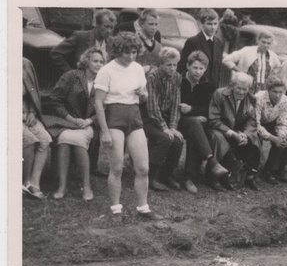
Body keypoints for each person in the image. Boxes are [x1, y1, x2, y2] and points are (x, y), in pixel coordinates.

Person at [94, 32, 160, 222]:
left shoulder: (138, 68)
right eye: (126, 52)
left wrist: (143, 94)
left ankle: (143, 207)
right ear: (117, 51)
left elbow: (144, 95)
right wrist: (105, 131)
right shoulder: (106, 71)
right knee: (117, 168)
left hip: (134, 116)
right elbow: (98, 103)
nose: (130, 56)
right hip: (114, 117)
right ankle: (116, 209)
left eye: (134, 52)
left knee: (143, 168)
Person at [43, 47, 105, 201]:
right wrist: (71, 119)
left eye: (102, 62)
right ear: (86, 61)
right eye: (95, 61)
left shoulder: (104, 80)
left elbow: (106, 107)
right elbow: (55, 100)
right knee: (64, 139)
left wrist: (88, 121)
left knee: (76, 140)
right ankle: (62, 186)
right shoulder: (71, 76)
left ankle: (87, 185)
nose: (99, 64)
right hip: (66, 121)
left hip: (89, 124)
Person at [178, 50, 233, 194]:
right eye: (195, 68)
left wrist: (192, 109)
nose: (198, 72)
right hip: (177, 121)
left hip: (199, 122)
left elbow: (208, 108)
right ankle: (211, 163)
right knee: (195, 126)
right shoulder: (179, 80)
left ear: (206, 68)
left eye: (201, 68)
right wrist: (189, 112)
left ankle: (190, 176)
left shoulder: (208, 84)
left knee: (197, 128)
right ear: (188, 66)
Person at [141, 47, 185, 191]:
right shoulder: (153, 77)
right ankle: (150, 177)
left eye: (175, 65)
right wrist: (165, 129)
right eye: (168, 65)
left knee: (178, 140)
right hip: (148, 118)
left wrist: (172, 127)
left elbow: (175, 105)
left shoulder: (177, 77)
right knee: (165, 138)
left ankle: (166, 174)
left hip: (164, 118)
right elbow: (152, 107)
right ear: (161, 64)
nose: (172, 68)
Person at [209, 72, 261, 190]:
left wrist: (245, 135)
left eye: (245, 89)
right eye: (239, 88)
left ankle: (248, 175)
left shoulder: (251, 99)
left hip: (238, 131)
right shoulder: (219, 94)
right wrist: (232, 133)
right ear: (232, 86)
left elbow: (252, 121)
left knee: (254, 138)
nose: (242, 92)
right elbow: (214, 120)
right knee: (218, 138)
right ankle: (213, 177)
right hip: (219, 129)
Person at [50, 9, 116, 75]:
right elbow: (56, 53)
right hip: (81, 80)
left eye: (111, 28)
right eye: (106, 26)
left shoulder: (111, 41)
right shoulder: (80, 37)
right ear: (97, 24)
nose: (109, 31)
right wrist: (70, 73)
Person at [22, 58, 52, 200]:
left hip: (26, 111)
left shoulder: (25, 63)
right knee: (28, 139)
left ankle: (34, 182)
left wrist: (32, 112)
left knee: (44, 138)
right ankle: (25, 181)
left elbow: (32, 93)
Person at [255, 75, 287, 184]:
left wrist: (281, 136)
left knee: (284, 139)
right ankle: (253, 170)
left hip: (270, 122)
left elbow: (283, 122)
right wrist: (272, 138)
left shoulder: (285, 100)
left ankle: (271, 169)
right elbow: (255, 123)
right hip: (254, 123)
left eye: (281, 92)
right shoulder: (258, 98)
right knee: (255, 140)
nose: (278, 95)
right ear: (268, 90)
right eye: (274, 92)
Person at [222, 30, 281, 94]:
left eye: (268, 43)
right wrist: (241, 72)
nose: (266, 45)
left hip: (264, 89)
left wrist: (271, 75)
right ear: (258, 40)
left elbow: (278, 67)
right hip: (245, 87)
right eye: (263, 42)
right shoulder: (247, 51)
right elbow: (226, 60)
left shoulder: (273, 56)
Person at [178, 9, 223, 90]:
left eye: (215, 24)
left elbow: (218, 69)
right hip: (196, 89)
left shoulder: (219, 43)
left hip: (213, 90)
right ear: (202, 24)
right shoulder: (193, 42)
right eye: (209, 24)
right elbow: (182, 67)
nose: (213, 27)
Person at [115, 9, 162, 73]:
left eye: (156, 24)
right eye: (150, 24)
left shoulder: (158, 45)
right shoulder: (134, 41)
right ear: (142, 24)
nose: (153, 27)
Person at [215, 9, 240, 89]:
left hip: (225, 48)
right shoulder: (234, 25)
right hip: (230, 48)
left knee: (223, 66)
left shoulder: (221, 23)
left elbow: (219, 35)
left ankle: (222, 86)